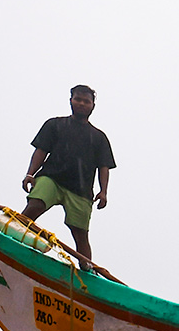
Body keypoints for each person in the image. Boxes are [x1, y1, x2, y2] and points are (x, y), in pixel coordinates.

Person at [20, 85, 116, 270]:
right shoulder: (55, 125)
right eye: (78, 99)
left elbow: (104, 167)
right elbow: (41, 151)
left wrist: (104, 192)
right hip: (51, 179)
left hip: (80, 190)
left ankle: (87, 269)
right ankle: (11, 237)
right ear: (71, 101)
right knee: (35, 205)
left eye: (86, 101)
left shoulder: (99, 137)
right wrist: (30, 174)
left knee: (81, 234)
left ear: (92, 106)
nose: (81, 103)